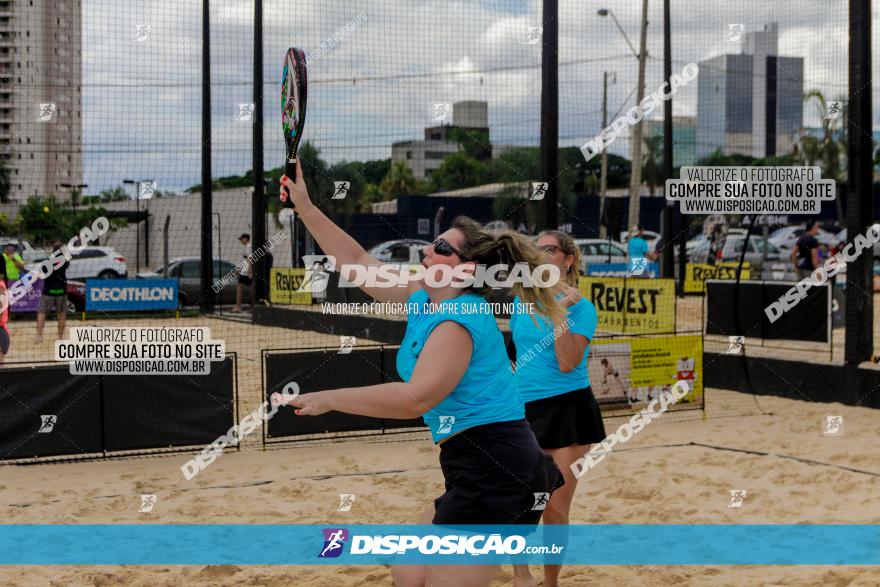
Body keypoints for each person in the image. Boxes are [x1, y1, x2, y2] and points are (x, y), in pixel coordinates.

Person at [278, 163, 565, 587]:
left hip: (499, 469)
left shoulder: (460, 318)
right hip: (469, 466)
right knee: (409, 573)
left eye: (441, 248)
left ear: (466, 271)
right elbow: (356, 261)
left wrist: (330, 398)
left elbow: (416, 398)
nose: (427, 251)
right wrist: (304, 207)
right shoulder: (420, 296)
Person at [509, 230, 605, 587]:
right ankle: (522, 575)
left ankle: (551, 582)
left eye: (549, 249)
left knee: (554, 507)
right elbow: (520, 355)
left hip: (568, 412)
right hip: (524, 410)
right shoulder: (521, 300)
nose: (540, 254)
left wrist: (558, 311)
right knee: (520, 497)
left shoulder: (581, 307)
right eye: (536, 249)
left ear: (568, 260)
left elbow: (567, 362)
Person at [36, 241, 69, 343]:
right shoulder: (65, 262)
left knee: (42, 313)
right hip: (61, 290)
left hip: (48, 291)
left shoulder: (47, 262)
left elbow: (41, 273)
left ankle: (39, 336)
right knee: (62, 314)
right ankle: (60, 337)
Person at [233, 233, 252, 312]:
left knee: (242, 288)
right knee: (246, 288)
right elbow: (245, 260)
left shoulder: (248, 247)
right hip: (244, 272)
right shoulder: (246, 247)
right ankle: (239, 307)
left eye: (241, 239)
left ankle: (239, 307)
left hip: (247, 272)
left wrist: (250, 271)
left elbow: (251, 259)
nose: (240, 241)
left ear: (246, 239)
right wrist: (239, 269)